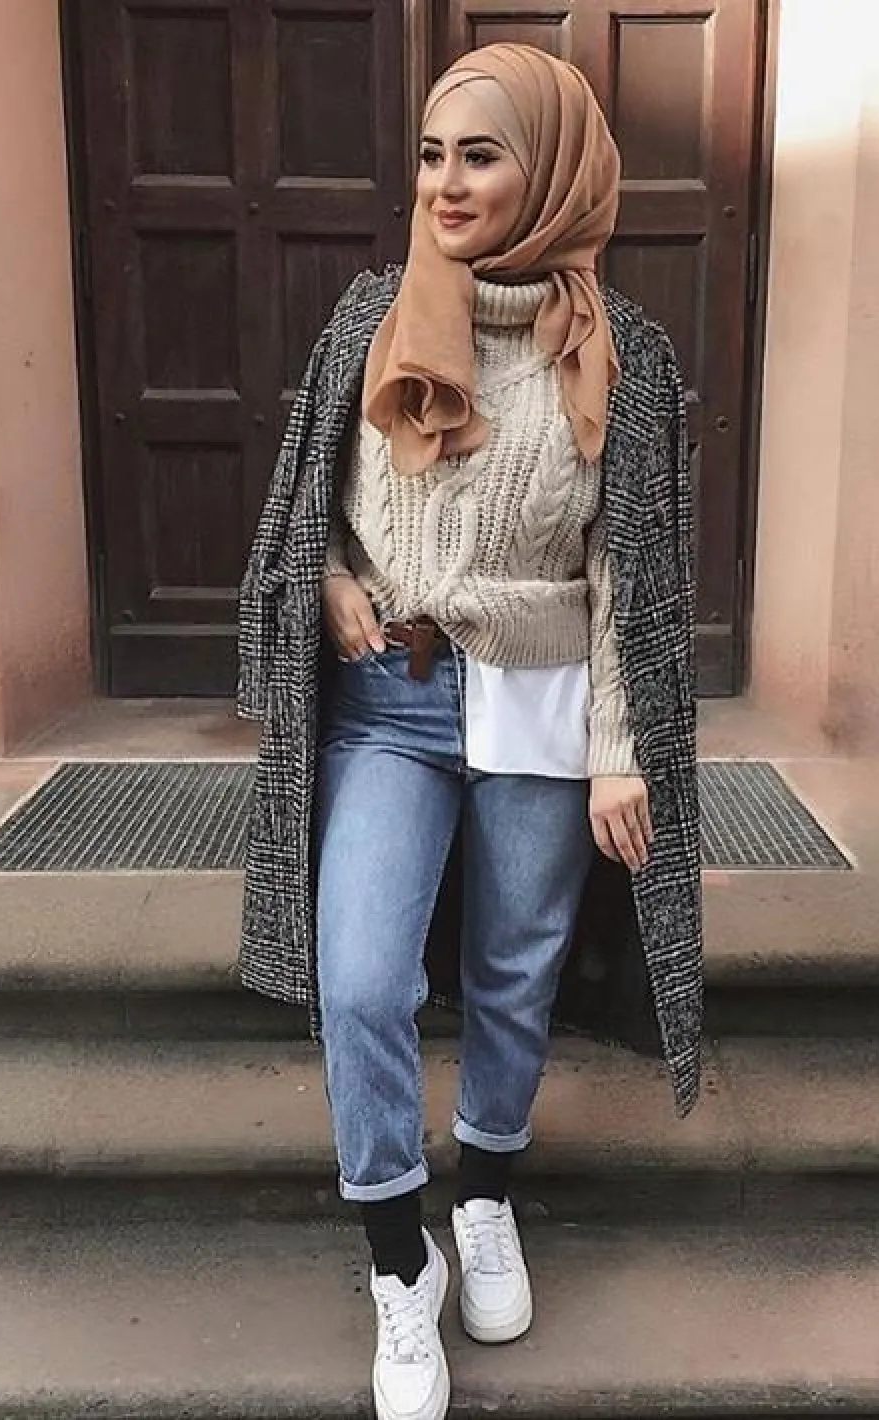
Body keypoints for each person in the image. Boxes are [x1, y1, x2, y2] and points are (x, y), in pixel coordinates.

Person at [238, 42, 702, 1420]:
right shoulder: (370, 314)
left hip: (541, 699)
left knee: (514, 971)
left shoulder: (628, 352)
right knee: (361, 978)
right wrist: (328, 575)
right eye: (433, 153)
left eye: (481, 155)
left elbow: (633, 575)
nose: (445, 182)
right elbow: (309, 493)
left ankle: (486, 1194)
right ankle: (402, 1261)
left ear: (548, 171)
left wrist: (619, 747)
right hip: (387, 695)